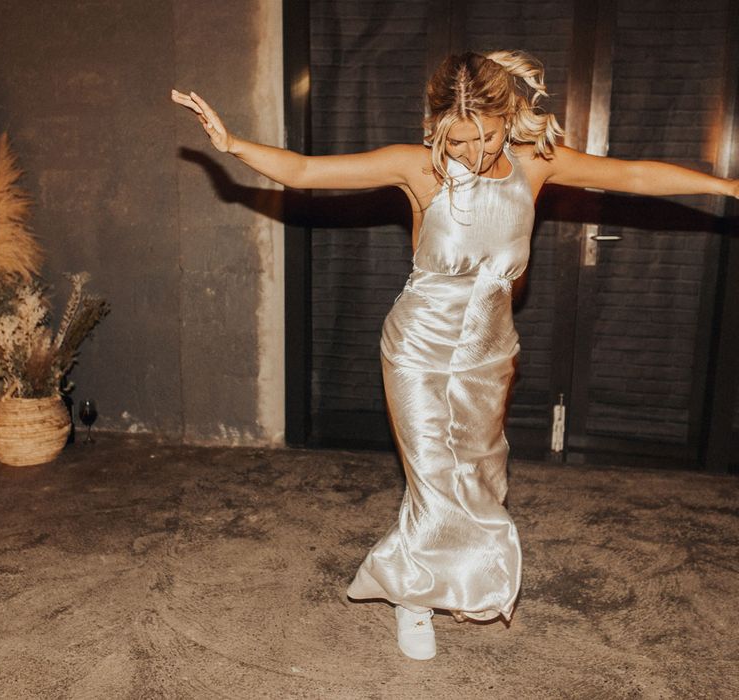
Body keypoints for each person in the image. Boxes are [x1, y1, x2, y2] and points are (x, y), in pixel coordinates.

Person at [172, 50, 739, 661]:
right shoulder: (420, 169)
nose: (474, 153)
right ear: (440, 127)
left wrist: (726, 184)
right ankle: (413, 599)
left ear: (507, 115)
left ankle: (460, 575)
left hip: (490, 351)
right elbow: (308, 172)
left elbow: (631, 176)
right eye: (460, 140)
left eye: (487, 136)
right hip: (418, 344)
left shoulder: (534, 164)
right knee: (434, 479)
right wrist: (233, 144)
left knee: (480, 471)